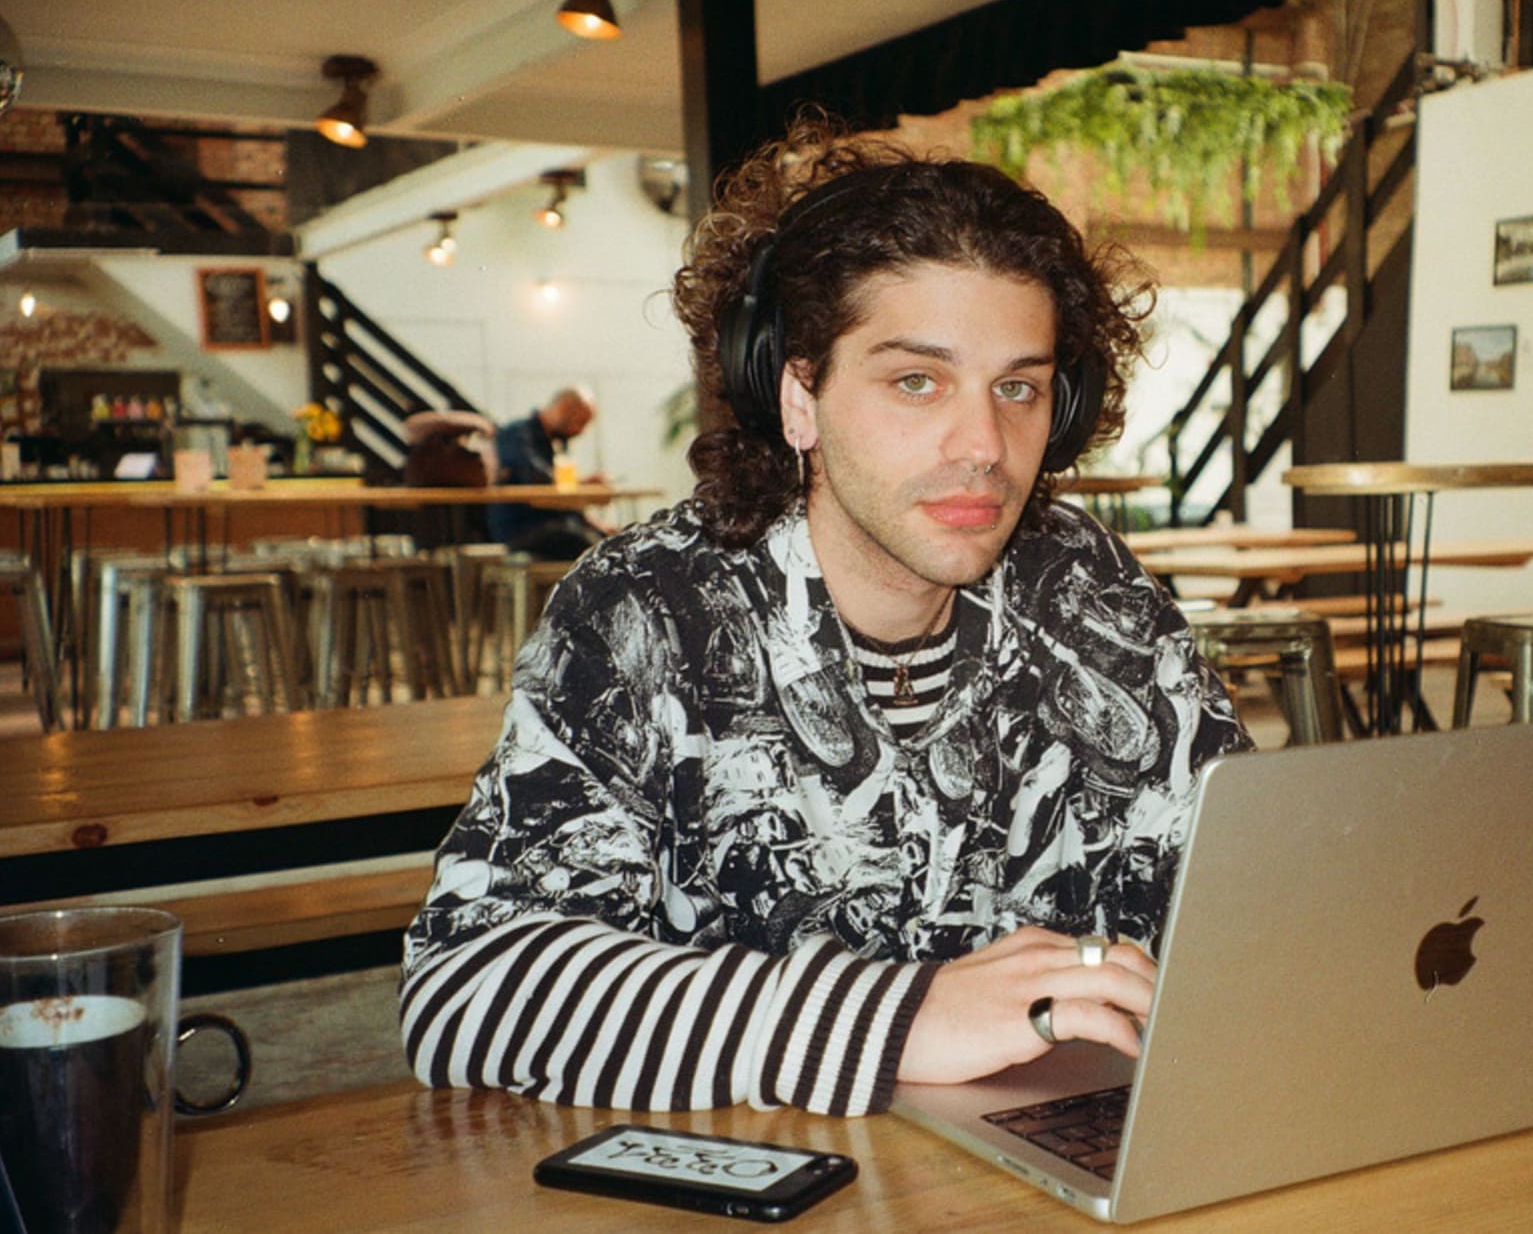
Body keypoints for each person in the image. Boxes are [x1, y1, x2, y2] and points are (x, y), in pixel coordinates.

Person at [400, 119, 1250, 1117]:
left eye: (1017, 387)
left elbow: (1237, 891)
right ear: (800, 396)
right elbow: (468, 989)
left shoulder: (1090, 595)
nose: (983, 442)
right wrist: (898, 1018)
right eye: (915, 381)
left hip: (1049, 1166)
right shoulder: (647, 609)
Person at [486, 386, 608, 560]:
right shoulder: (516, 434)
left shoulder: (559, 443)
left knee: (610, 541)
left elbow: (566, 500)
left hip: (555, 525)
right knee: (588, 546)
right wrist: (583, 486)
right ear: (563, 409)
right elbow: (534, 477)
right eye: (580, 422)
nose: (581, 431)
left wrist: (596, 525)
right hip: (521, 529)